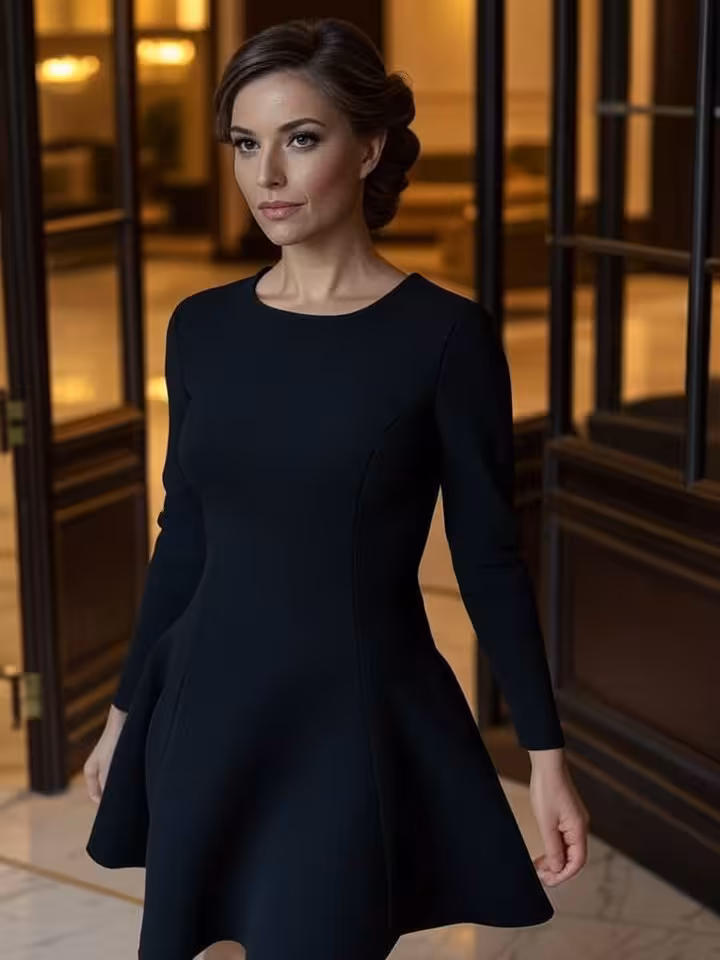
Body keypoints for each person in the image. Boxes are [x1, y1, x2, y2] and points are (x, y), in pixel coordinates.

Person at [83, 16, 589, 960]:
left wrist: (548, 759)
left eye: (300, 139)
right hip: (203, 710)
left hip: (345, 726)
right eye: (245, 144)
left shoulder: (445, 337)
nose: (264, 177)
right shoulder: (200, 328)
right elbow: (183, 536)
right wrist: (123, 713)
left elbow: (488, 558)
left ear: (371, 148)